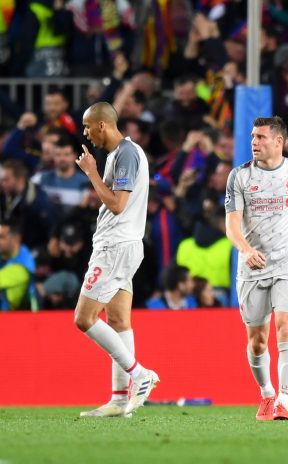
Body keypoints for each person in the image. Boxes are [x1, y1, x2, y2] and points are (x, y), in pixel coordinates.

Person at [225, 116, 288, 421]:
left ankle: (283, 400)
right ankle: (267, 393)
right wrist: (245, 249)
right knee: (256, 340)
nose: (254, 142)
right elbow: (231, 225)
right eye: (253, 137)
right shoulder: (239, 176)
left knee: (286, 327)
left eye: (261, 137)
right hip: (252, 267)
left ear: (278, 141)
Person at [73, 102, 159, 418]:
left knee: (83, 318)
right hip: (123, 245)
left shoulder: (125, 154)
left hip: (116, 247)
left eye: (87, 126)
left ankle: (140, 375)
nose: (85, 132)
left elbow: (118, 204)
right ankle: (120, 400)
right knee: (119, 321)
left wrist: (92, 173)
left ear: (102, 125)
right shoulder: (121, 154)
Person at [0, 219, 39, 311]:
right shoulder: (5, 255)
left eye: (2, 237)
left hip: (19, 318)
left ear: (16, 238)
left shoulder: (24, 264)